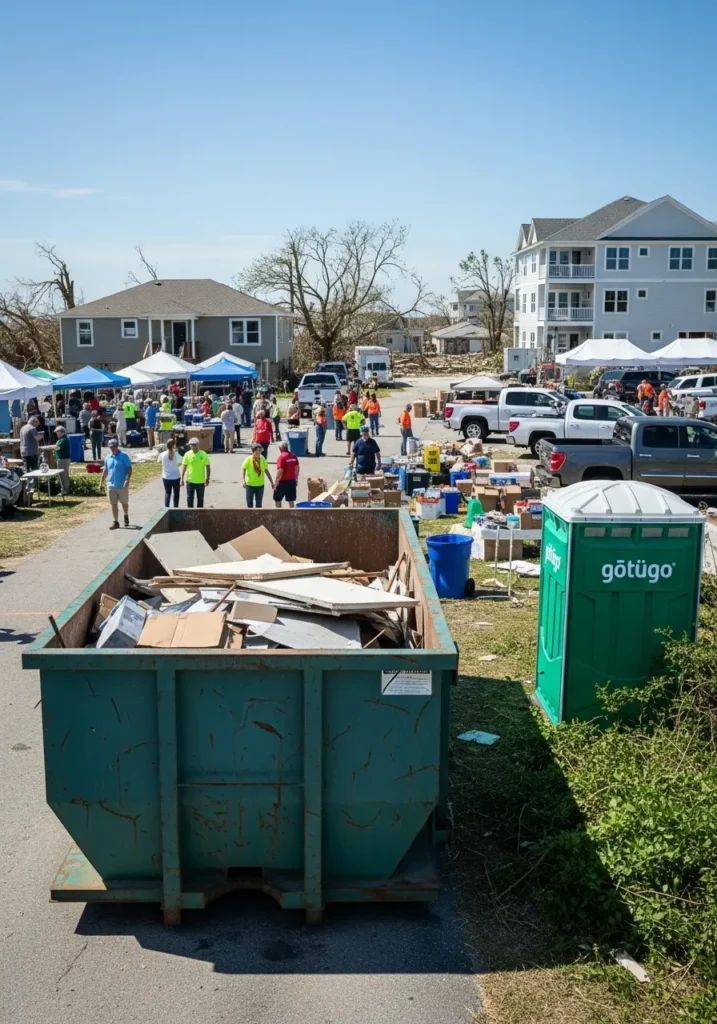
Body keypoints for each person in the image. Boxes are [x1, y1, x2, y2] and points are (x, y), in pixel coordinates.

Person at [100, 437, 132, 529]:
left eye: (114, 446)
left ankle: (125, 514)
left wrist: (127, 479)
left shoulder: (124, 456)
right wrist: (101, 482)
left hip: (122, 484)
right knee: (113, 504)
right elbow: (105, 470)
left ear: (117, 446)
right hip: (111, 485)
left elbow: (129, 468)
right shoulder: (107, 457)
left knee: (124, 503)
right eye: (111, 447)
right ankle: (116, 522)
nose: (112, 448)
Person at [180, 437, 211, 508]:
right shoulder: (187, 454)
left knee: (200, 499)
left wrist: (208, 478)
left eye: (193, 445)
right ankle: (189, 515)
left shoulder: (203, 454)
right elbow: (184, 466)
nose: (192, 447)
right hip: (190, 481)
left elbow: (208, 466)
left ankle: (200, 515)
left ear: (197, 445)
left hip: (200, 481)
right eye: (191, 445)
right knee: (189, 499)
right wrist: (182, 478)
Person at [242, 442, 274, 508]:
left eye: (259, 451)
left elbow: (266, 470)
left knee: (259, 504)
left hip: (260, 485)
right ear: (253, 451)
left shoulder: (262, 459)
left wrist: (271, 482)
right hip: (250, 484)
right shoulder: (248, 459)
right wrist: (243, 481)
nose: (258, 453)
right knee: (249, 503)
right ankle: (251, 517)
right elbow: (243, 469)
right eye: (256, 451)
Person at [273, 440, 299, 508]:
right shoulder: (293, 456)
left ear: (280, 448)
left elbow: (280, 469)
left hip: (282, 481)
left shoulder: (281, 457)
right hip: (291, 481)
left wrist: (276, 480)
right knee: (291, 500)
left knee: (277, 499)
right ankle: (292, 514)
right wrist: (296, 478)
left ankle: (279, 514)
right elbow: (297, 467)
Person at [159, 437, 181, 507]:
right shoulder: (177, 454)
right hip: (176, 477)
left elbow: (158, 461)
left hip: (166, 477)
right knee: (176, 493)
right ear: (174, 445)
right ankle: (176, 507)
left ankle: (166, 508)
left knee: (167, 493)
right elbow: (181, 462)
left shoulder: (162, 454)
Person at [53, 425, 72, 495]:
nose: (56, 434)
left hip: (63, 459)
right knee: (61, 475)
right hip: (61, 459)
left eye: (57, 432)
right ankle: (63, 489)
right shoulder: (60, 439)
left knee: (64, 475)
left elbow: (57, 447)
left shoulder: (64, 439)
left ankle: (66, 490)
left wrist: (50, 447)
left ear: (62, 432)